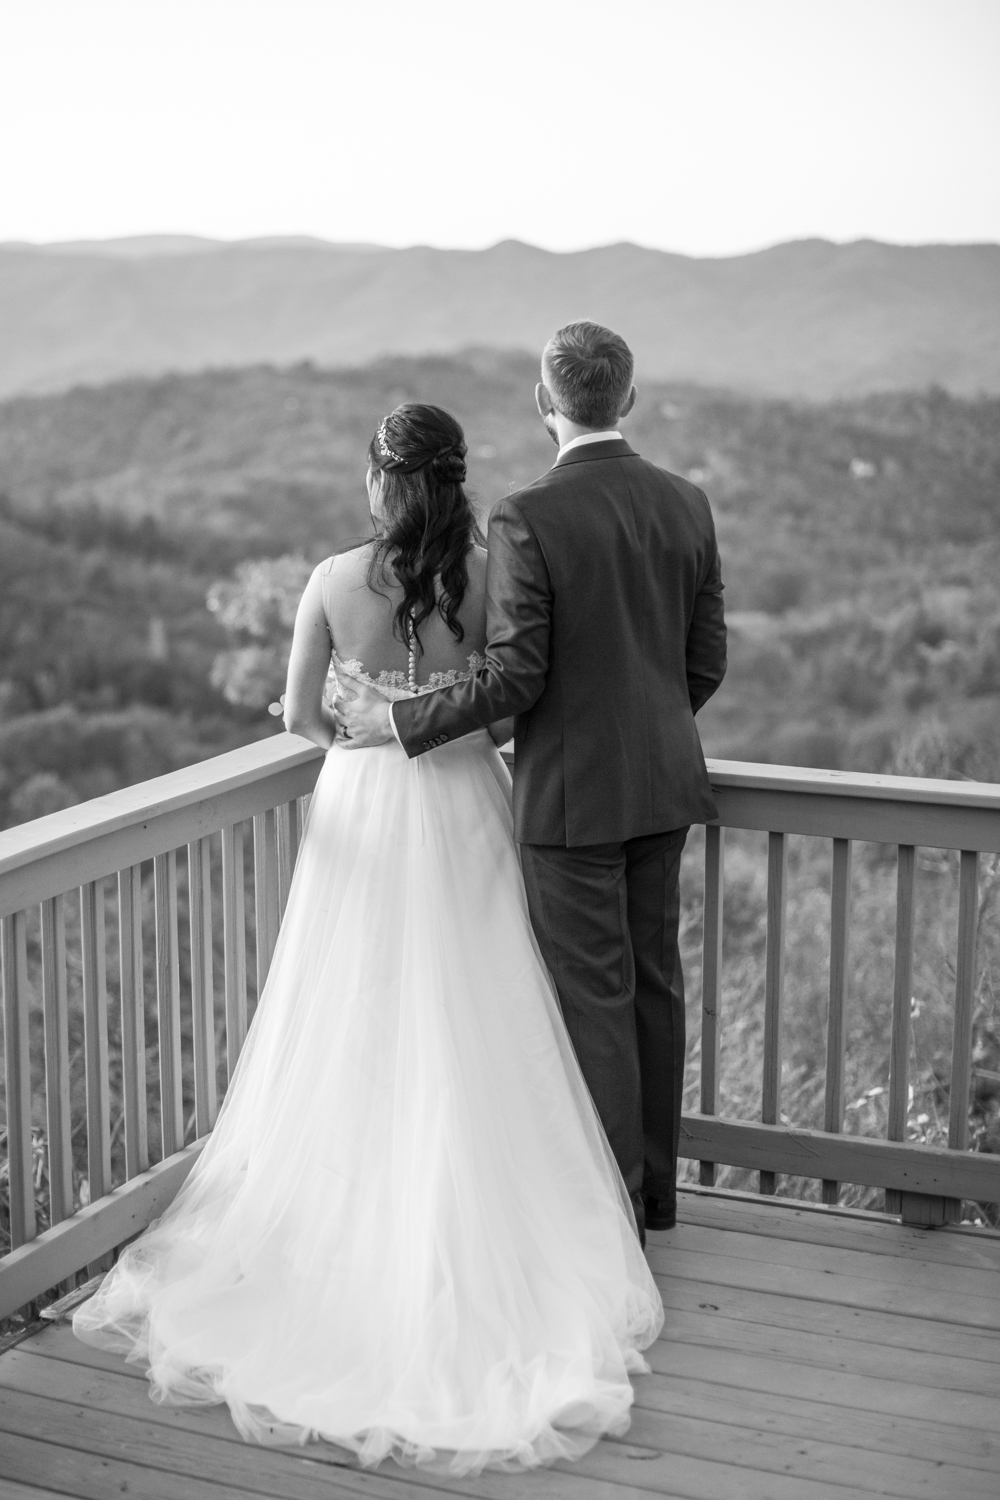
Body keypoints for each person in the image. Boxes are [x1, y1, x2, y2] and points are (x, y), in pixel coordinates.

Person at [72, 400, 663, 1475]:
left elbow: (300, 717)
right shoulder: (487, 571)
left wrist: (355, 714)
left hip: (360, 804)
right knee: (478, 1007)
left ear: (378, 482)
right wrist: (429, 705)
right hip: (462, 798)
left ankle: (355, 1228)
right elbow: (502, 709)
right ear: (455, 479)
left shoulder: (331, 580)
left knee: (355, 1014)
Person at [336, 321, 728, 1241]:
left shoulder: (526, 516)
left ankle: (613, 1217)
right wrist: (649, 730)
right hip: (664, 786)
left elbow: (516, 678)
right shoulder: (688, 502)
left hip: (571, 800)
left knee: (592, 997)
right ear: (626, 398)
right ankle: (658, 1199)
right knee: (654, 986)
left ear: (544, 402)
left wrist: (394, 720)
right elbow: (703, 664)